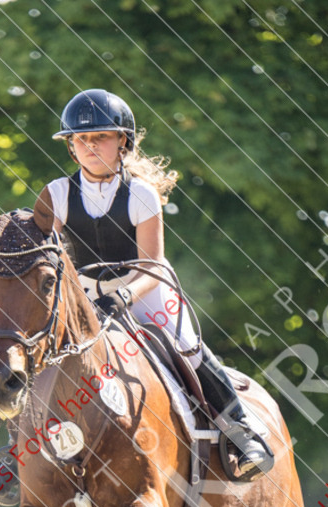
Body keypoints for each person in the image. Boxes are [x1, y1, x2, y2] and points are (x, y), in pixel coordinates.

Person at [44, 88, 273, 478]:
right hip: (84, 297)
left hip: (144, 290)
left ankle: (243, 432)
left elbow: (151, 264)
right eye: (80, 139)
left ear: (123, 142)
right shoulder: (57, 194)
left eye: (100, 136)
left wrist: (122, 297)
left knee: (186, 347)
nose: (90, 146)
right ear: (71, 147)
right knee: (37, 357)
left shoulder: (141, 194)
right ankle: (15, 460)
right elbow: (51, 263)